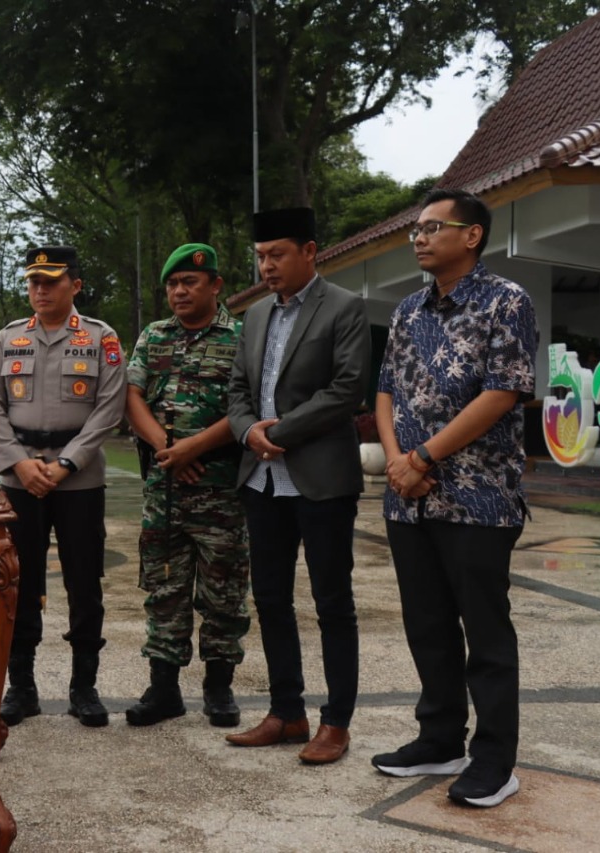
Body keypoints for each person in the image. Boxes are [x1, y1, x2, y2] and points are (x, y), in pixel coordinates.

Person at [371, 189, 537, 808]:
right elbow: (384, 391)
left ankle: (495, 762)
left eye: (432, 227)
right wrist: (396, 460)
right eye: (416, 228)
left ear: (471, 237)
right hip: (408, 499)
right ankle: (440, 739)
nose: (419, 237)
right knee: (429, 627)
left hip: (479, 499)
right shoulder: (407, 310)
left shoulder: (505, 301)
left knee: (486, 634)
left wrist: (423, 458)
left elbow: (502, 393)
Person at [225, 208, 371, 765]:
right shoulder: (256, 314)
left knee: (333, 603)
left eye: (277, 255)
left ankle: (336, 722)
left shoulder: (345, 308)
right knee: (270, 599)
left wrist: (278, 432)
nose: (267, 266)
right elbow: (238, 389)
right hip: (261, 481)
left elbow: (346, 389)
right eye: (261, 256)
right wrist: (247, 433)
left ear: (310, 251)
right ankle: (287, 712)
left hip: (322, 481)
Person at [0, 245, 127, 728]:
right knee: (17, 583)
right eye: (34, 282)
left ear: (75, 285)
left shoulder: (101, 339)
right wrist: (20, 465)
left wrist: (65, 464)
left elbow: (109, 407)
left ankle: (84, 687)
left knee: (84, 583)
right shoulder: (9, 339)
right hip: (20, 479)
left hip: (78, 480)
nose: (40, 290)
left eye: (51, 281)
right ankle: (21, 687)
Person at [123, 243, 250, 728]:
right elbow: (131, 397)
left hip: (222, 492)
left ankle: (219, 689)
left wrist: (193, 449)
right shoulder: (154, 337)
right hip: (166, 491)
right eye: (172, 284)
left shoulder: (240, 339)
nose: (178, 291)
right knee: (164, 589)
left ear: (215, 286)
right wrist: (168, 452)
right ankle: (163, 690)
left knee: (223, 592)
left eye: (189, 283)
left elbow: (246, 408)